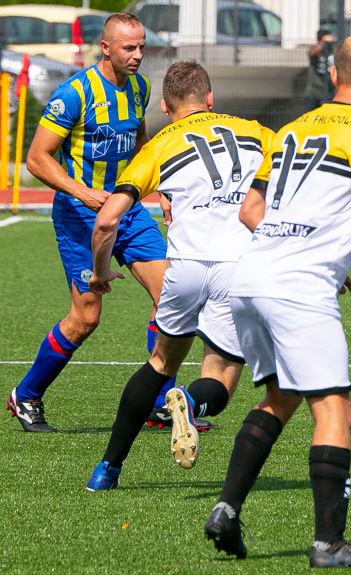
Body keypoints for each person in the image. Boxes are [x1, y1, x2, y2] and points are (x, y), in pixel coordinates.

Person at [203, 35, 351, 568]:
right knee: (335, 408)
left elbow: (249, 208)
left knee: (281, 397)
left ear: (334, 76)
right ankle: (328, 543)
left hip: (251, 276)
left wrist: (295, 248)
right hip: (296, 286)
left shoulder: (293, 128)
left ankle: (226, 508)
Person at [84, 60, 274, 491]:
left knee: (160, 363)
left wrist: (100, 272)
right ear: (210, 99)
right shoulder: (257, 131)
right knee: (221, 375)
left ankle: (107, 469)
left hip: (185, 266)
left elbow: (107, 222)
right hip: (239, 266)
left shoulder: (158, 145)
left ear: (168, 109)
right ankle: (188, 400)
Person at [7, 13, 170, 433]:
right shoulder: (74, 93)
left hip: (127, 209)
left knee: (170, 296)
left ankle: (155, 401)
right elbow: (37, 159)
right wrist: (82, 192)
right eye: (129, 48)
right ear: (106, 47)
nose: (137, 55)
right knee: (86, 317)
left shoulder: (139, 87)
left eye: (141, 47)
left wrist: (161, 189)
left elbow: (140, 143)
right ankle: (25, 396)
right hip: (81, 215)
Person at [303, 28, 335, 112]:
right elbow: (311, 53)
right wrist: (322, 45)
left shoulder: (334, 50)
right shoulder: (314, 49)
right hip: (314, 92)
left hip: (330, 92)